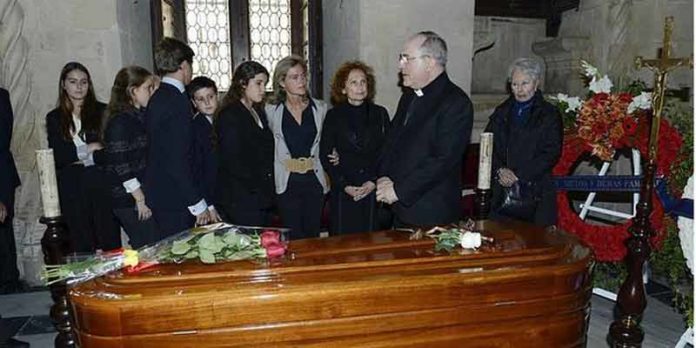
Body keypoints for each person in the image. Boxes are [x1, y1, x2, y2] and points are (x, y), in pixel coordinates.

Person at [377, 31, 474, 227]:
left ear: (429, 62)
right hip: (398, 208)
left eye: (407, 58)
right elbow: (392, 141)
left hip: (431, 213)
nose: (400, 65)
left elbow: (442, 160)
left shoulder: (456, 103)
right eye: (400, 58)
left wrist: (399, 191)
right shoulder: (409, 97)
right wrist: (384, 175)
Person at [46, 62, 121, 252]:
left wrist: (83, 155)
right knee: (81, 243)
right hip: (72, 189)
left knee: (108, 240)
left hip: (100, 185)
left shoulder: (103, 111)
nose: (79, 87)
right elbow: (60, 156)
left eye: (84, 82)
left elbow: (108, 151)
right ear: (63, 84)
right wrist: (88, 149)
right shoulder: (54, 117)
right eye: (73, 82)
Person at [484, 58, 562, 227]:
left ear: (536, 83)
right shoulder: (501, 112)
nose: (519, 90)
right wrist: (500, 171)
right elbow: (488, 147)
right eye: (514, 84)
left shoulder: (549, 114)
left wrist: (518, 175)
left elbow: (551, 152)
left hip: (536, 191)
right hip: (502, 193)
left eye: (524, 83)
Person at [320, 60, 390, 234]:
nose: (360, 87)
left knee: (371, 245)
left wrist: (373, 181)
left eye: (363, 81)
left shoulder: (380, 114)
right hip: (344, 191)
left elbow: (388, 152)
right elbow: (325, 155)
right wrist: (344, 185)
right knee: (342, 247)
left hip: (372, 190)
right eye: (353, 82)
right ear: (343, 88)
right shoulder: (333, 116)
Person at [266, 55, 329, 239]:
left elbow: (328, 142)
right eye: (294, 77)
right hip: (287, 182)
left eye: (303, 76)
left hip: (314, 181)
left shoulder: (320, 108)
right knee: (293, 237)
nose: (301, 81)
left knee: (312, 236)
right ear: (282, 82)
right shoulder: (271, 110)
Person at [95, 66, 159, 248]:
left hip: (138, 194)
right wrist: (140, 199)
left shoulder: (138, 116)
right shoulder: (120, 122)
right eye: (148, 88)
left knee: (149, 244)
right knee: (147, 246)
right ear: (133, 91)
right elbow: (121, 165)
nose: (152, 92)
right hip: (128, 198)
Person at [215, 61, 275, 226]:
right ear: (242, 83)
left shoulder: (257, 110)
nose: (263, 89)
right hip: (241, 198)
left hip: (259, 196)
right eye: (258, 83)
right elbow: (232, 161)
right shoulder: (230, 115)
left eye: (265, 84)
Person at [187, 76, 221, 222]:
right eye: (201, 99)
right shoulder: (195, 128)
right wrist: (210, 205)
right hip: (210, 196)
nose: (207, 103)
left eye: (210, 97)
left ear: (217, 96)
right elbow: (197, 171)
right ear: (194, 103)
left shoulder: (223, 120)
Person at [0, 88, 21, 294]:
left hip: (1, 176)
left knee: (3, 228)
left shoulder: (1, 96)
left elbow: (2, 139)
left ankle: (8, 280)